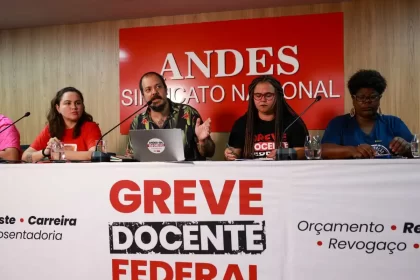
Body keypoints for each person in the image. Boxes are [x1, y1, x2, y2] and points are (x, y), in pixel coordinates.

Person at [321, 69, 413, 159]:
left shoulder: (393, 123)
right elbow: (323, 150)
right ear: (353, 99)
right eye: (361, 97)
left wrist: (407, 147)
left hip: (389, 173)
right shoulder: (339, 123)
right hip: (351, 173)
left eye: (373, 97)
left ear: (379, 98)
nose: (367, 101)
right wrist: (352, 150)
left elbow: (415, 148)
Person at [126, 72, 215, 161]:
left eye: (158, 86)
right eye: (148, 89)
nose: (154, 92)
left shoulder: (189, 113)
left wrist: (203, 142)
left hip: (187, 174)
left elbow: (209, 153)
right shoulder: (138, 121)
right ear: (143, 96)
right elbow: (132, 155)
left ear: (166, 90)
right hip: (152, 174)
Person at [224, 75, 308, 160]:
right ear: (252, 97)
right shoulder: (241, 124)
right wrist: (230, 154)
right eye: (258, 95)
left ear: (278, 96)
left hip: (285, 171)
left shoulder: (293, 122)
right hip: (251, 172)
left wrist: (284, 154)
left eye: (268, 95)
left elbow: (305, 152)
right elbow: (235, 153)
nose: (263, 99)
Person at [22, 87, 102, 162]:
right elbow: (25, 157)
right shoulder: (51, 128)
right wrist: (46, 152)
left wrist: (59, 153)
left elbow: (95, 154)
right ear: (58, 108)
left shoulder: (90, 127)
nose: (74, 107)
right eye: (68, 103)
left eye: (78, 103)